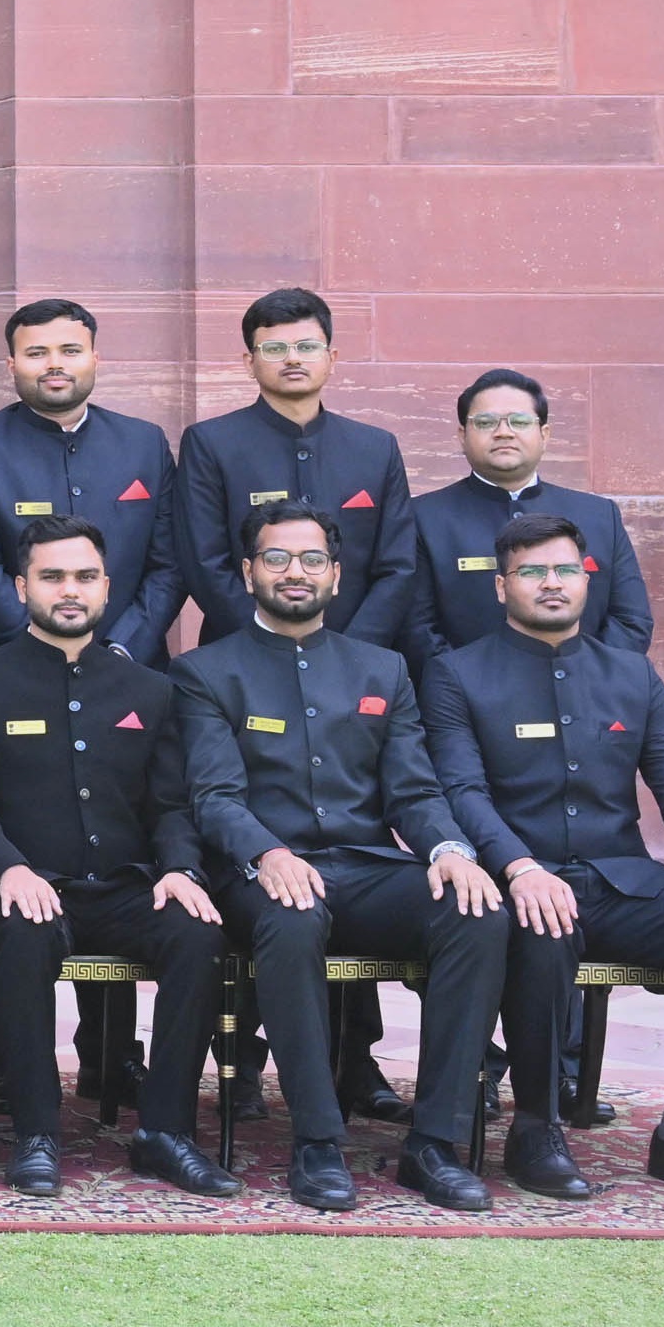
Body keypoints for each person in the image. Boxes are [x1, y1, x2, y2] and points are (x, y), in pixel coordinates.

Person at [162, 510, 508, 1212]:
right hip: (261, 872)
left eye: (312, 560)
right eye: (278, 559)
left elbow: (414, 790)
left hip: (366, 864)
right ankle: (316, 1143)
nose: (296, 573)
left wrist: (448, 850)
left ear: (336, 574)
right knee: (291, 919)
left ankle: (434, 1145)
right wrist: (267, 852)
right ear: (248, 572)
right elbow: (213, 796)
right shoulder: (203, 672)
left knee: (475, 912)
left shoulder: (382, 669)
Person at [433, 514, 664, 1204]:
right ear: (502, 587)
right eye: (531, 572)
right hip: (518, 879)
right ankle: (536, 1127)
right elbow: (460, 790)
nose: (551, 584)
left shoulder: (631, 675)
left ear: (586, 579)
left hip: (618, 877)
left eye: (564, 570)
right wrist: (516, 866)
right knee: (542, 930)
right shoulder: (455, 674)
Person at [0, 519, 236, 1197]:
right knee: (26, 934)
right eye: (52, 576)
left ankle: (164, 1131)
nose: (70, 591)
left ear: (105, 587)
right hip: (20, 884)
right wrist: (8, 867)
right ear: (20, 586)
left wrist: (180, 869)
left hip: (124, 887)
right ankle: (36, 1133)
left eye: (84, 577)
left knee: (197, 932)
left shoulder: (150, 690)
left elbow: (171, 805)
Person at [172, 287, 418, 648]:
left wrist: (356, 650)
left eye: (307, 347)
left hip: (359, 656)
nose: (292, 359)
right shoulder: (211, 443)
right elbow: (204, 562)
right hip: (242, 654)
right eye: (274, 349)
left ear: (331, 358)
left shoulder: (375, 447)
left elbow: (399, 566)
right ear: (249, 363)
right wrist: (266, 641)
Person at [0, 299, 185, 667]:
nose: (54, 363)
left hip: (131, 665)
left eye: (70, 350)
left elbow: (169, 563)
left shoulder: (145, 443)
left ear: (94, 359)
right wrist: (38, 645)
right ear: (12, 365)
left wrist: (123, 646)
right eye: (37, 353)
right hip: (12, 664)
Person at [389, 367, 651, 663]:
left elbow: (631, 621)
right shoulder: (423, 517)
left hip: (590, 699)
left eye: (520, 421)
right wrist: (466, 687)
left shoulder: (599, 516)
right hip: (464, 702)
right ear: (462, 435)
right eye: (486, 422)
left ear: (544, 434)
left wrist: (586, 678)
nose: (504, 432)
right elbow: (416, 629)